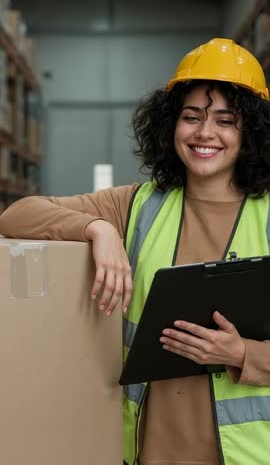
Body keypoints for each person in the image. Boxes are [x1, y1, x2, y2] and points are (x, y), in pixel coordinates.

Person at [1, 37, 270, 464]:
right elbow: (17, 215)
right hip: (148, 452)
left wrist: (244, 354)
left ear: (251, 130)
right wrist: (98, 228)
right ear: (171, 125)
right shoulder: (138, 206)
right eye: (191, 117)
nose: (205, 133)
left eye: (225, 120)